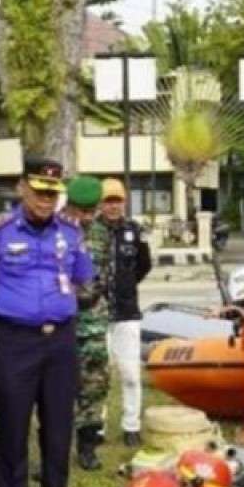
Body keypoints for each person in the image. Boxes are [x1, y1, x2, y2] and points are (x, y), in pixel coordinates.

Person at [0, 157, 95, 487]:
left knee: (58, 428)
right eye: (39, 191)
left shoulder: (72, 232)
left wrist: (54, 309)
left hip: (60, 341)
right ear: (22, 187)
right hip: (14, 342)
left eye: (52, 193)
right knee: (12, 428)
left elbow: (82, 281)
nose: (45, 200)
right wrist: (15, 310)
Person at [61, 176, 112, 470]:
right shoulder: (53, 231)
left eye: (91, 211)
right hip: (62, 320)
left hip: (92, 318)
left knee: (94, 384)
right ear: (69, 206)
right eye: (81, 211)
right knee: (57, 387)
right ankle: (54, 448)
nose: (86, 217)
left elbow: (102, 273)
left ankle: (88, 446)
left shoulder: (101, 233)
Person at [98, 178, 152, 448]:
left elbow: (144, 265)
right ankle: (96, 426)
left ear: (124, 203)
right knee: (98, 374)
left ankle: (131, 426)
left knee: (130, 373)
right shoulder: (90, 231)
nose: (113, 207)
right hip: (96, 313)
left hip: (127, 313)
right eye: (108, 201)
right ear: (100, 203)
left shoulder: (134, 231)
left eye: (117, 201)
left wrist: (126, 286)